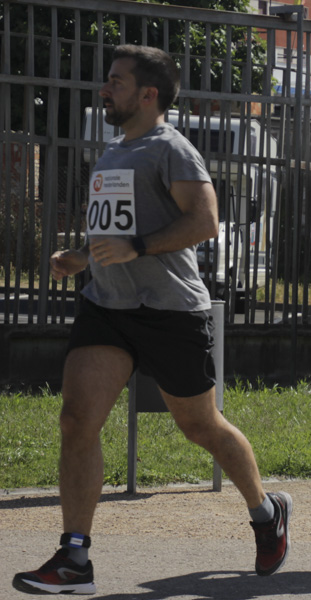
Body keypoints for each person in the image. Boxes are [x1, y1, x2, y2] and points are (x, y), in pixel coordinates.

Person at [11, 46, 290, 596]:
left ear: (148, 94)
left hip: (169, 312)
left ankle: (265, 512)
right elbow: (115, 230)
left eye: (115, 81)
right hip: (107, 307)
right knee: (76, 420)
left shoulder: (172, 150)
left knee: (199, 426)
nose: (104, 89)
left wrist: (136, 247)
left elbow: (206, 221)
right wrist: (83, 256)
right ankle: (75, 559)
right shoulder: (113, 153)